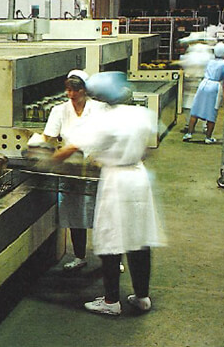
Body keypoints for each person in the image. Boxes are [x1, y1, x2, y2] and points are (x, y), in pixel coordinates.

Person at [52, 71, 163, 316]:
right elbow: (147, 149)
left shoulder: (104, 121)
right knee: (139, 238)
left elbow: (71, 148)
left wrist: (45, 161)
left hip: (116, 181)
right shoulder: (141, 114)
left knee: (111, 239)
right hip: (138, 176)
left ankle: (111, 301)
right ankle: (142, 297)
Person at [28, 69, 108, 271]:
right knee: (76, 215)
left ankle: (111, 260)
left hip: (98, 167)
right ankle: (80, 256)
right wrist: (38, 149)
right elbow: (48, 137)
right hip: (72, 169)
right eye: (69, 90)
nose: (72, 95)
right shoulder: (59, 110)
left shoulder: (99, 109)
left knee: (105, 216)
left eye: (76, 90)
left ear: (85, 90)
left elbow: (107, 137)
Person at [183, 42, 224, 144]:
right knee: (212, 112)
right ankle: (208, 137)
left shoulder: (210, 62)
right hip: (214, 87)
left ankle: (189, 133)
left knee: (196, 109)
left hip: (203, 85)